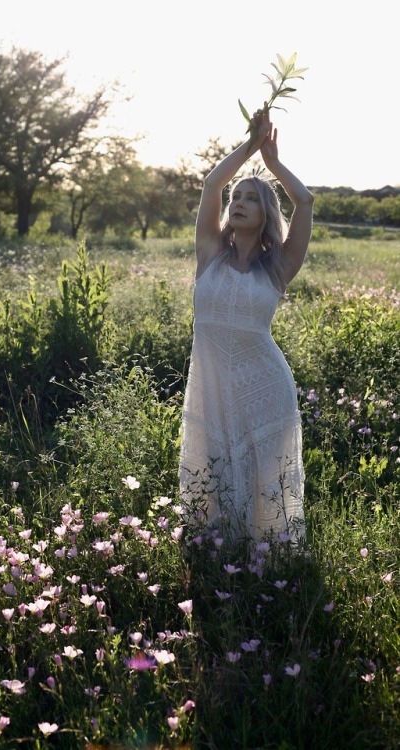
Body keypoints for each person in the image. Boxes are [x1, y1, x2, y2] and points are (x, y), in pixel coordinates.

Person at [179, 108, 314, 546]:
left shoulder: (278, 266)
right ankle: (217, 556)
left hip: (264, 386)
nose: (237, 203)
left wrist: (272, 165)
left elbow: (306, 202)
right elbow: (211, 184)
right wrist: (250, 146)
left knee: (262, 477)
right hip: (214, 387)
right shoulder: (210, 254)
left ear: (266, 211)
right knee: (215, 464)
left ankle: (266, 565)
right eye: (236, 198)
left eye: (250, 198)